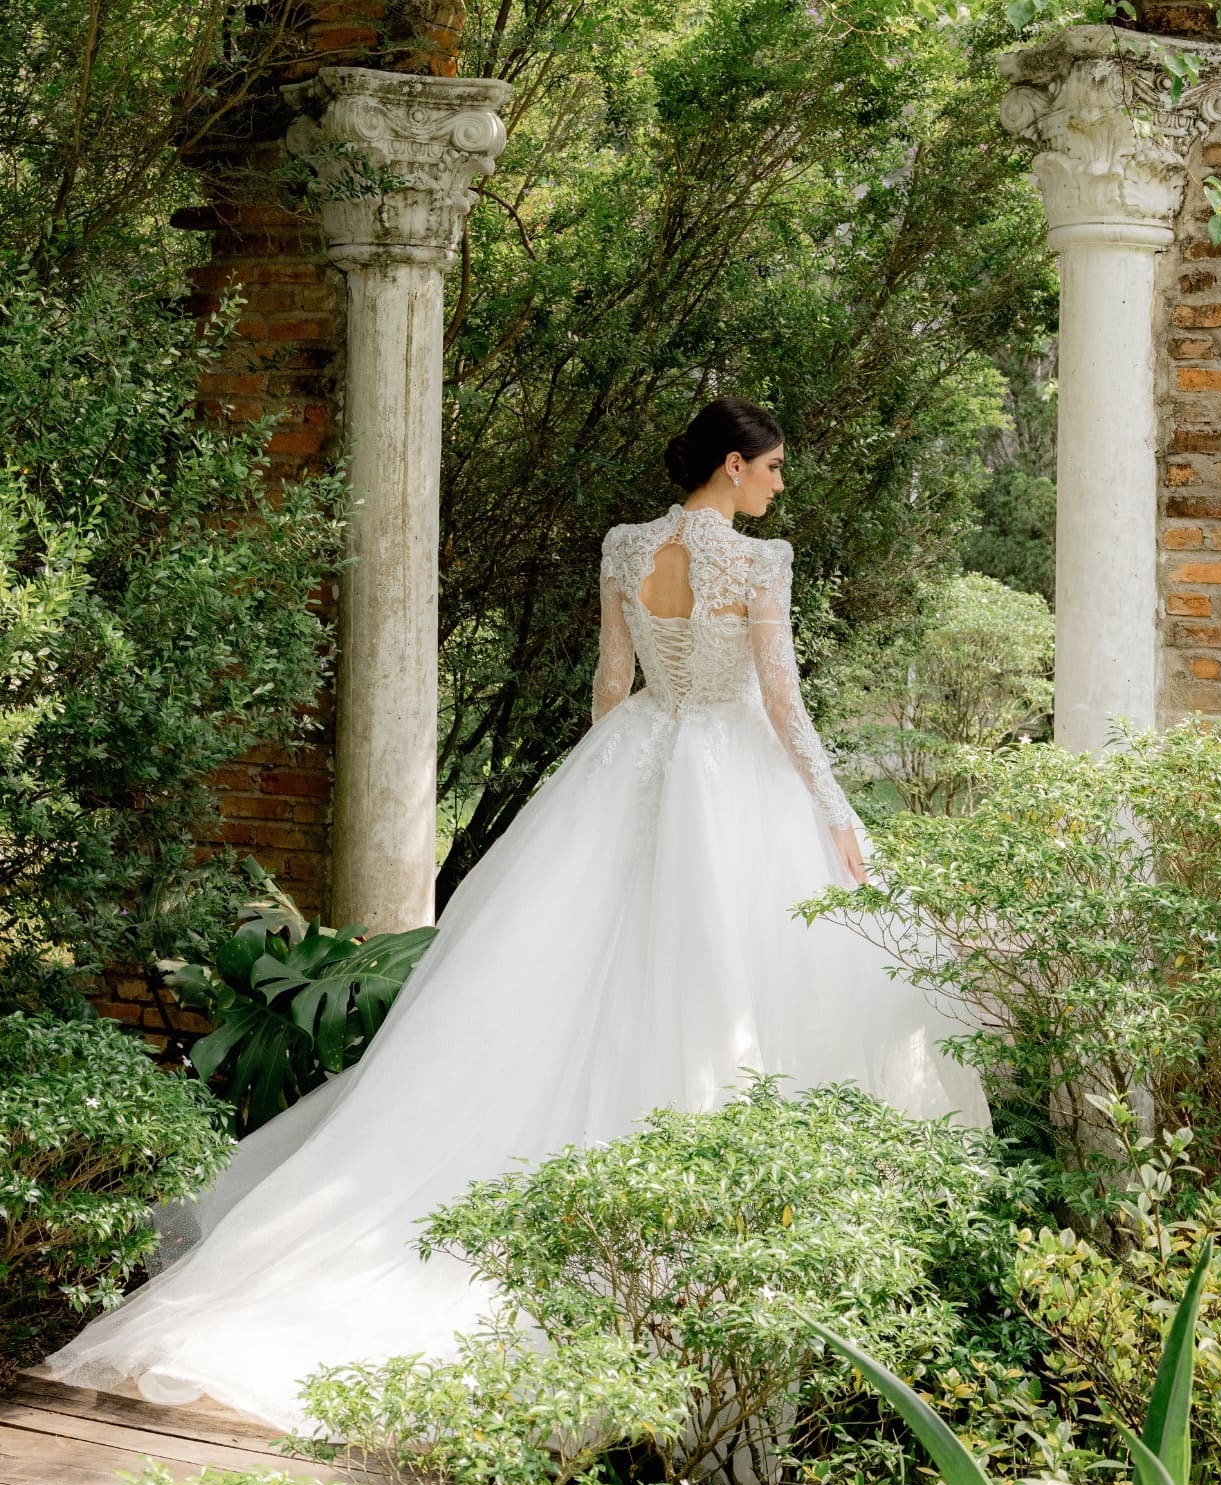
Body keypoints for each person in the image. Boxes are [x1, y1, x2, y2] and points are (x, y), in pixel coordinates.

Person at [44, 397, 986, 1429]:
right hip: (732, 772)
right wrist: (833, 807)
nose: (777, 485)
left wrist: (611, 786)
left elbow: (612, 683)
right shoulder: (761, 563)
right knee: (730, 983)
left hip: (634, 758)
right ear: (731, 464)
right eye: (771, 467)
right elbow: (782, 698)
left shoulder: (625, 545)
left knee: (583, 977)